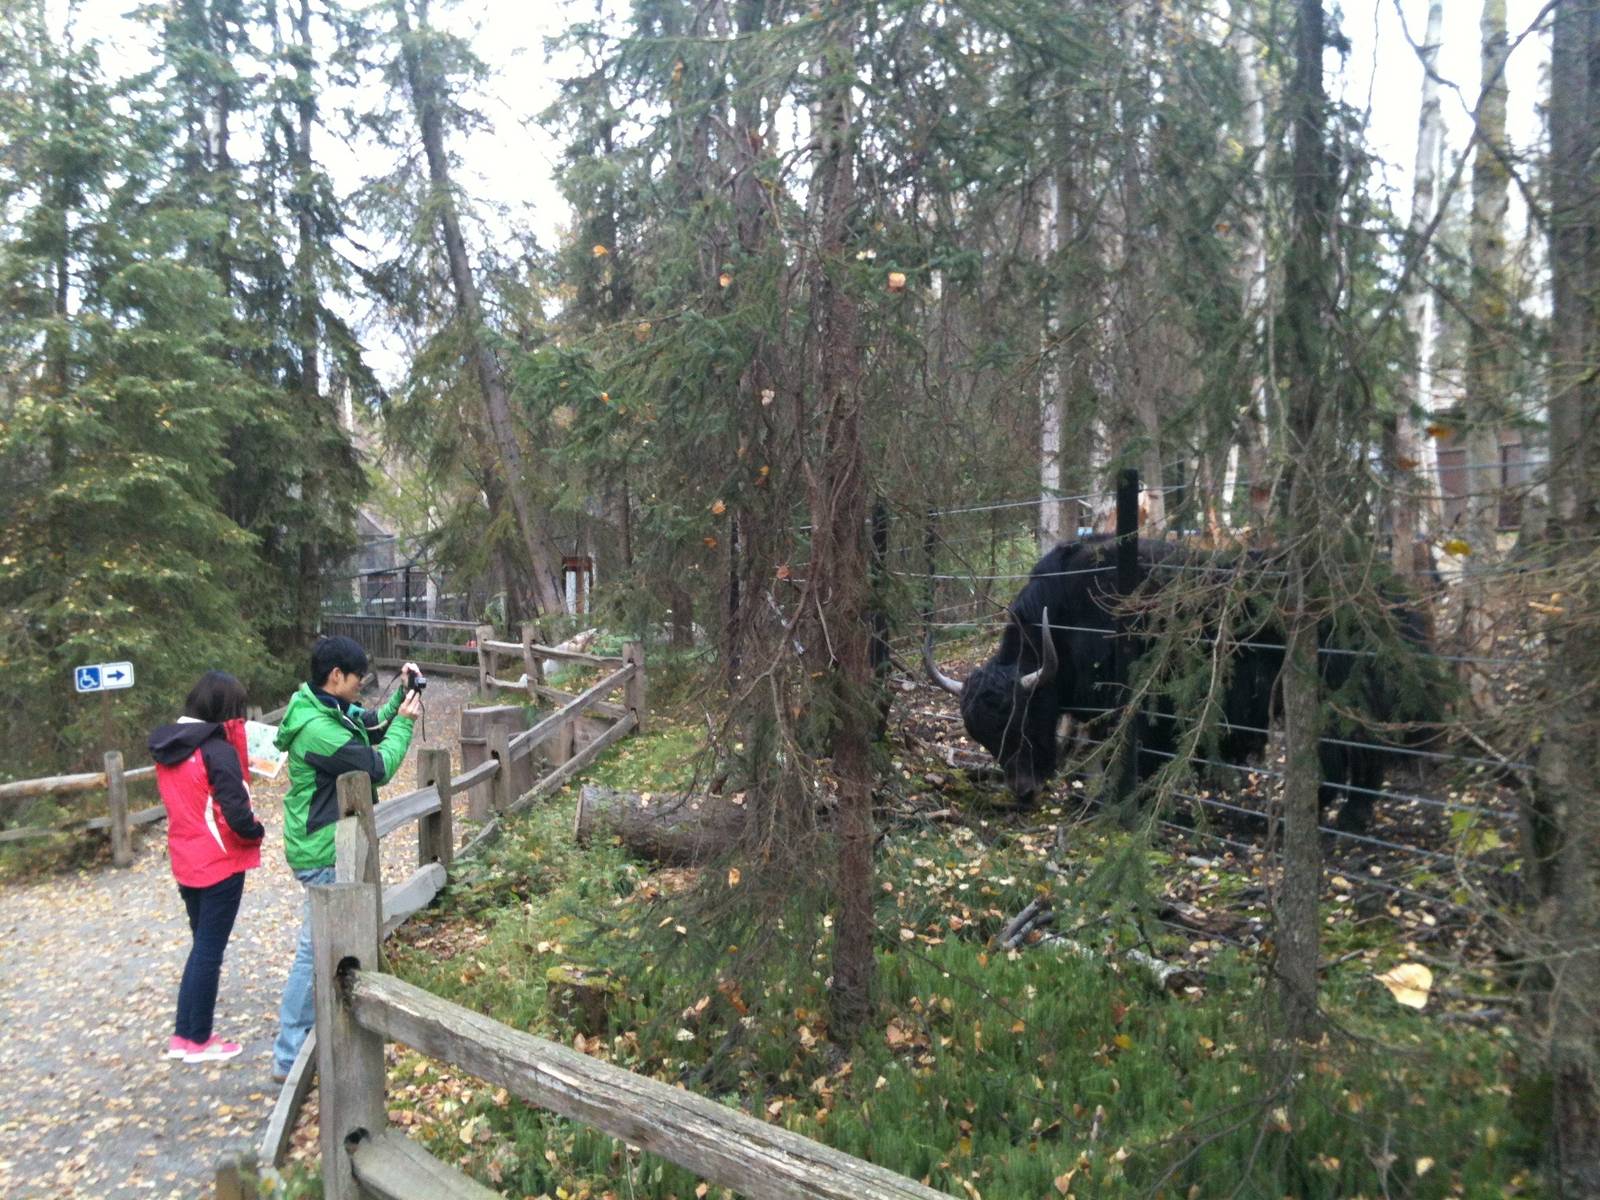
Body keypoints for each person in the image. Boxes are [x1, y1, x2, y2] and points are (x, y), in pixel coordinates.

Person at [270, 636, 423, 1081]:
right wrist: (408, 723)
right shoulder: (319, 729)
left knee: (325, 941)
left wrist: (402, 695)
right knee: (314, 946)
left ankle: (316, 1035)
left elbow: (370, 724)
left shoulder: (323, 707)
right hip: (322, 847)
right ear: (335, 675)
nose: (362, 685)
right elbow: (376, 765)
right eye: (359, 678)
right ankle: (289, 1054)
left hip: (324, 841)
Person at [149, 671, 265, 1064]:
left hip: (185, 859)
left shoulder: (170, 748)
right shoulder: (216, 751)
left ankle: (186, 1034)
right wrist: (256, 831)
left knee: (201, 948)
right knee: (208, 952)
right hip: (219, 862)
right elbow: (236, 811)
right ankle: (197, 1039)